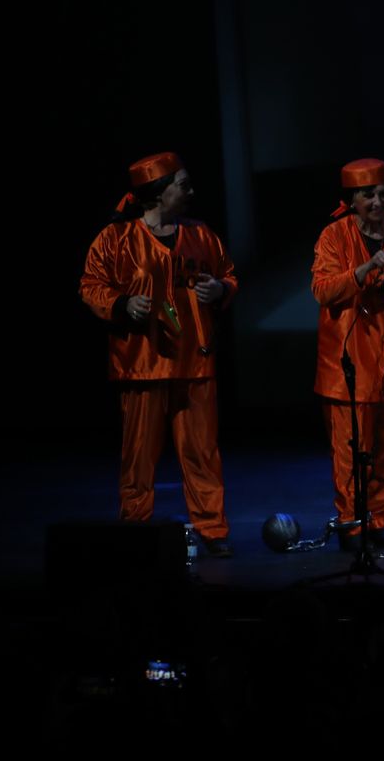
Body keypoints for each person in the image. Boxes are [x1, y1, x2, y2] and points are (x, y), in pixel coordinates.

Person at [79, 152, 237, 556]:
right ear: (157, 193)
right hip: (142, 364)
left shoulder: (201, 235)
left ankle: (213, 530)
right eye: (182, 185)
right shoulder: (116, 240)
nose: (190, 192)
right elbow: (91, 286)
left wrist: (221, 289)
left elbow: (229, 275)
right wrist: (121, 304)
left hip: (195, 360)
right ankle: (135, 529)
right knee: (139, 459)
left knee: (202, 453)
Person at [310, 158, 384, 551]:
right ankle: (350, 522)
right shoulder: (334, 236)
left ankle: (377, 519)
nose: (377, 201)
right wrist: (363, 271)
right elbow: (324, 290)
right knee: (349, 449)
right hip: (347, 360)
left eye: (382, 193)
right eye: (367, 195)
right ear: (351, 200)